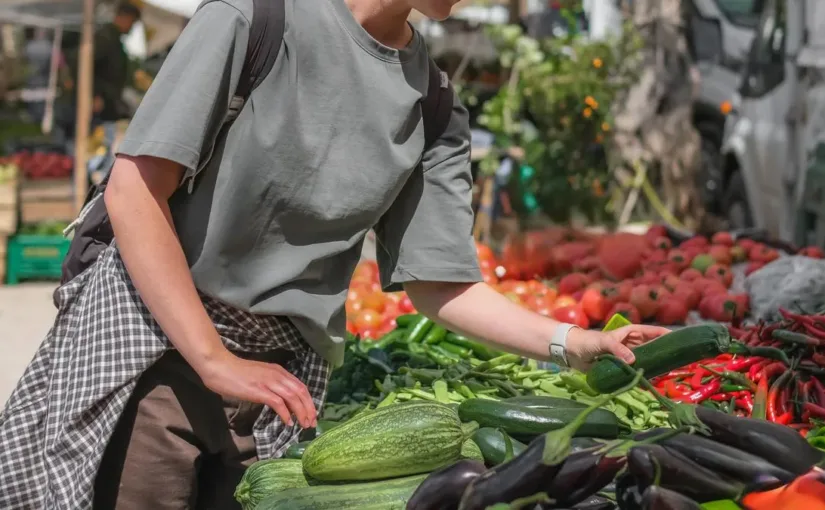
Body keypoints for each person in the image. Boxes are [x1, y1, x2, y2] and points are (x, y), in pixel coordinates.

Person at [0, 1, 669, 509]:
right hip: (153, 361)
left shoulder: (432, 104)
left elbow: (442, 284)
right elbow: (134, 190)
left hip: (277, 389)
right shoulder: (253, 20)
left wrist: (571, 343)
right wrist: (212, 358)